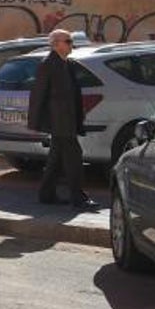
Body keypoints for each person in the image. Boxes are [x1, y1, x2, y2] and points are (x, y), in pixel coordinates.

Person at [27, 29, 99, 210]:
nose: (71, 44)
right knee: (74, 158)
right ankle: (78, 198)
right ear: (56, 44)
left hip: (66, 120)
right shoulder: (49, 64)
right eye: (67, 41)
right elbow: (38, 94)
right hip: (60, 121)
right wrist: (38, 122)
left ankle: (47, 194)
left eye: (71, 41)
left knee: (56, 159)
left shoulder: (64, 63)